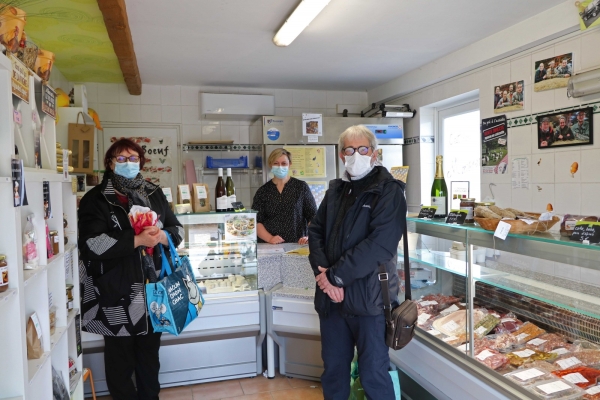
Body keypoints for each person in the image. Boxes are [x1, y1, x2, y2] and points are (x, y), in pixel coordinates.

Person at [78, 138, 183, 400]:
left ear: (141, 162)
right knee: (120, 361)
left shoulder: (154, 193)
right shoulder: (96, 199)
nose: (128, 163)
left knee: (150, 356)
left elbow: (177, 230)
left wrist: (160, 236)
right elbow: (90, 244)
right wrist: (135, 240)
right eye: (121, 158)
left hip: (152, 290)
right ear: (110, 163)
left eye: (133, 158)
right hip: (116, 291)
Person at [308, 125, 407, 400]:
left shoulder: (389, 192)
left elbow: (380, 244)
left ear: (374, 153)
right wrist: (325, 275)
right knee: (334, 373)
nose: (356, 155)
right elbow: (315, 231)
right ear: (341, 156)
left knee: (373, 374)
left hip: (370, 302)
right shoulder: (336, 191)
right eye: (349, 150)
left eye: (363, 149)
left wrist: (335, 277)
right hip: (332, 302)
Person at [252, 148, 317, 245]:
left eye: (283, 163)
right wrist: (270, 238)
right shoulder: (263, 191)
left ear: (290, 164)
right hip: (269, 246)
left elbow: (313, 216)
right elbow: (256, 221)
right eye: (276, 163)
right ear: (270, 165)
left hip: (297, 244)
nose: (280, 167)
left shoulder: (301, 187)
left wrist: (310, 236)